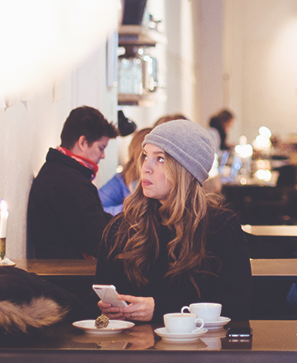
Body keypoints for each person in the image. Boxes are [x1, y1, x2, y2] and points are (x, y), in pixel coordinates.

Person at [95, 120, 253, 322]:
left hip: (199, 347)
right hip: (132, 348)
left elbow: (238, 305)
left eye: (160, 159)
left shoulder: (219, 226)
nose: (146, 168)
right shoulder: (122, 226)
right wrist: (108, 307)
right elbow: (103, 294)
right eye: (145, 156)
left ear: (186, 169)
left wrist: (161, 309)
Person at [28, 106, 118, 259]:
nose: (103, 155)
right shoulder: (69, 182)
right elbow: (97, 239)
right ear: (82, 142)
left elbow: (95, 219)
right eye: (101, 148)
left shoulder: (59, 171)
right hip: (69, 274)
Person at [99, 127, 152, 215]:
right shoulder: (123, 179)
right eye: (146, 156)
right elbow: (96, 208)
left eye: (160, 158)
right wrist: (128, 208)